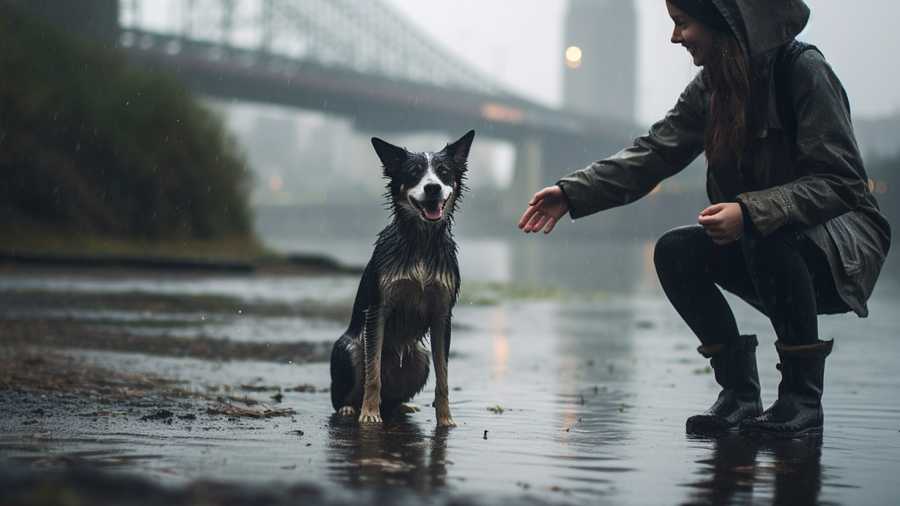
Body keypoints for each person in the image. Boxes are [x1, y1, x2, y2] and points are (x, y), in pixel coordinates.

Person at [518, 0, 891, 437]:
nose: (675, 37)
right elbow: (656, 151)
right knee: (675, 252)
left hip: (840, 252)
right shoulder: (711, 87)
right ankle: (738, 394)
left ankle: (801, 401)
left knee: (767, 230)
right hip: (767, 244)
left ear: (723, 23)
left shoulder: (804, 71)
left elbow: (842, 182)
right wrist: (571, 191)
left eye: (682, 23)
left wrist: (750, 211)